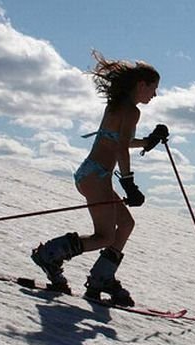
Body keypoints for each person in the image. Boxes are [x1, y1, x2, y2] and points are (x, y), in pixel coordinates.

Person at [31, 51, 169, 307]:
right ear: (141, 85)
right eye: (153, 88)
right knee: (105, 236)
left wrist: (149, 142)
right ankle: (49, 256)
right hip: (96, 176)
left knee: (126, 224)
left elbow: (121, 142)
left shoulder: (119, 106)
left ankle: (102, 278)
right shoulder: (130, 110)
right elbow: (119, 148)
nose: (154, 95)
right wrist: (129, 182)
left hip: (92, 173)